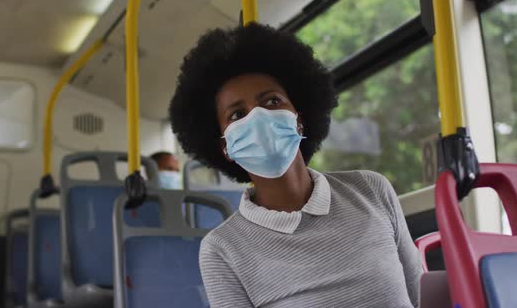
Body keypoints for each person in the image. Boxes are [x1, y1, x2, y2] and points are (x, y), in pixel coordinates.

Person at [169, 23, 422, 308]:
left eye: (272, 101)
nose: (259, 117)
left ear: (299, 118)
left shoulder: (372, 190)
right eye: (238, 114)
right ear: (226, 147)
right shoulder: (222, 249)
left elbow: (421, 296)